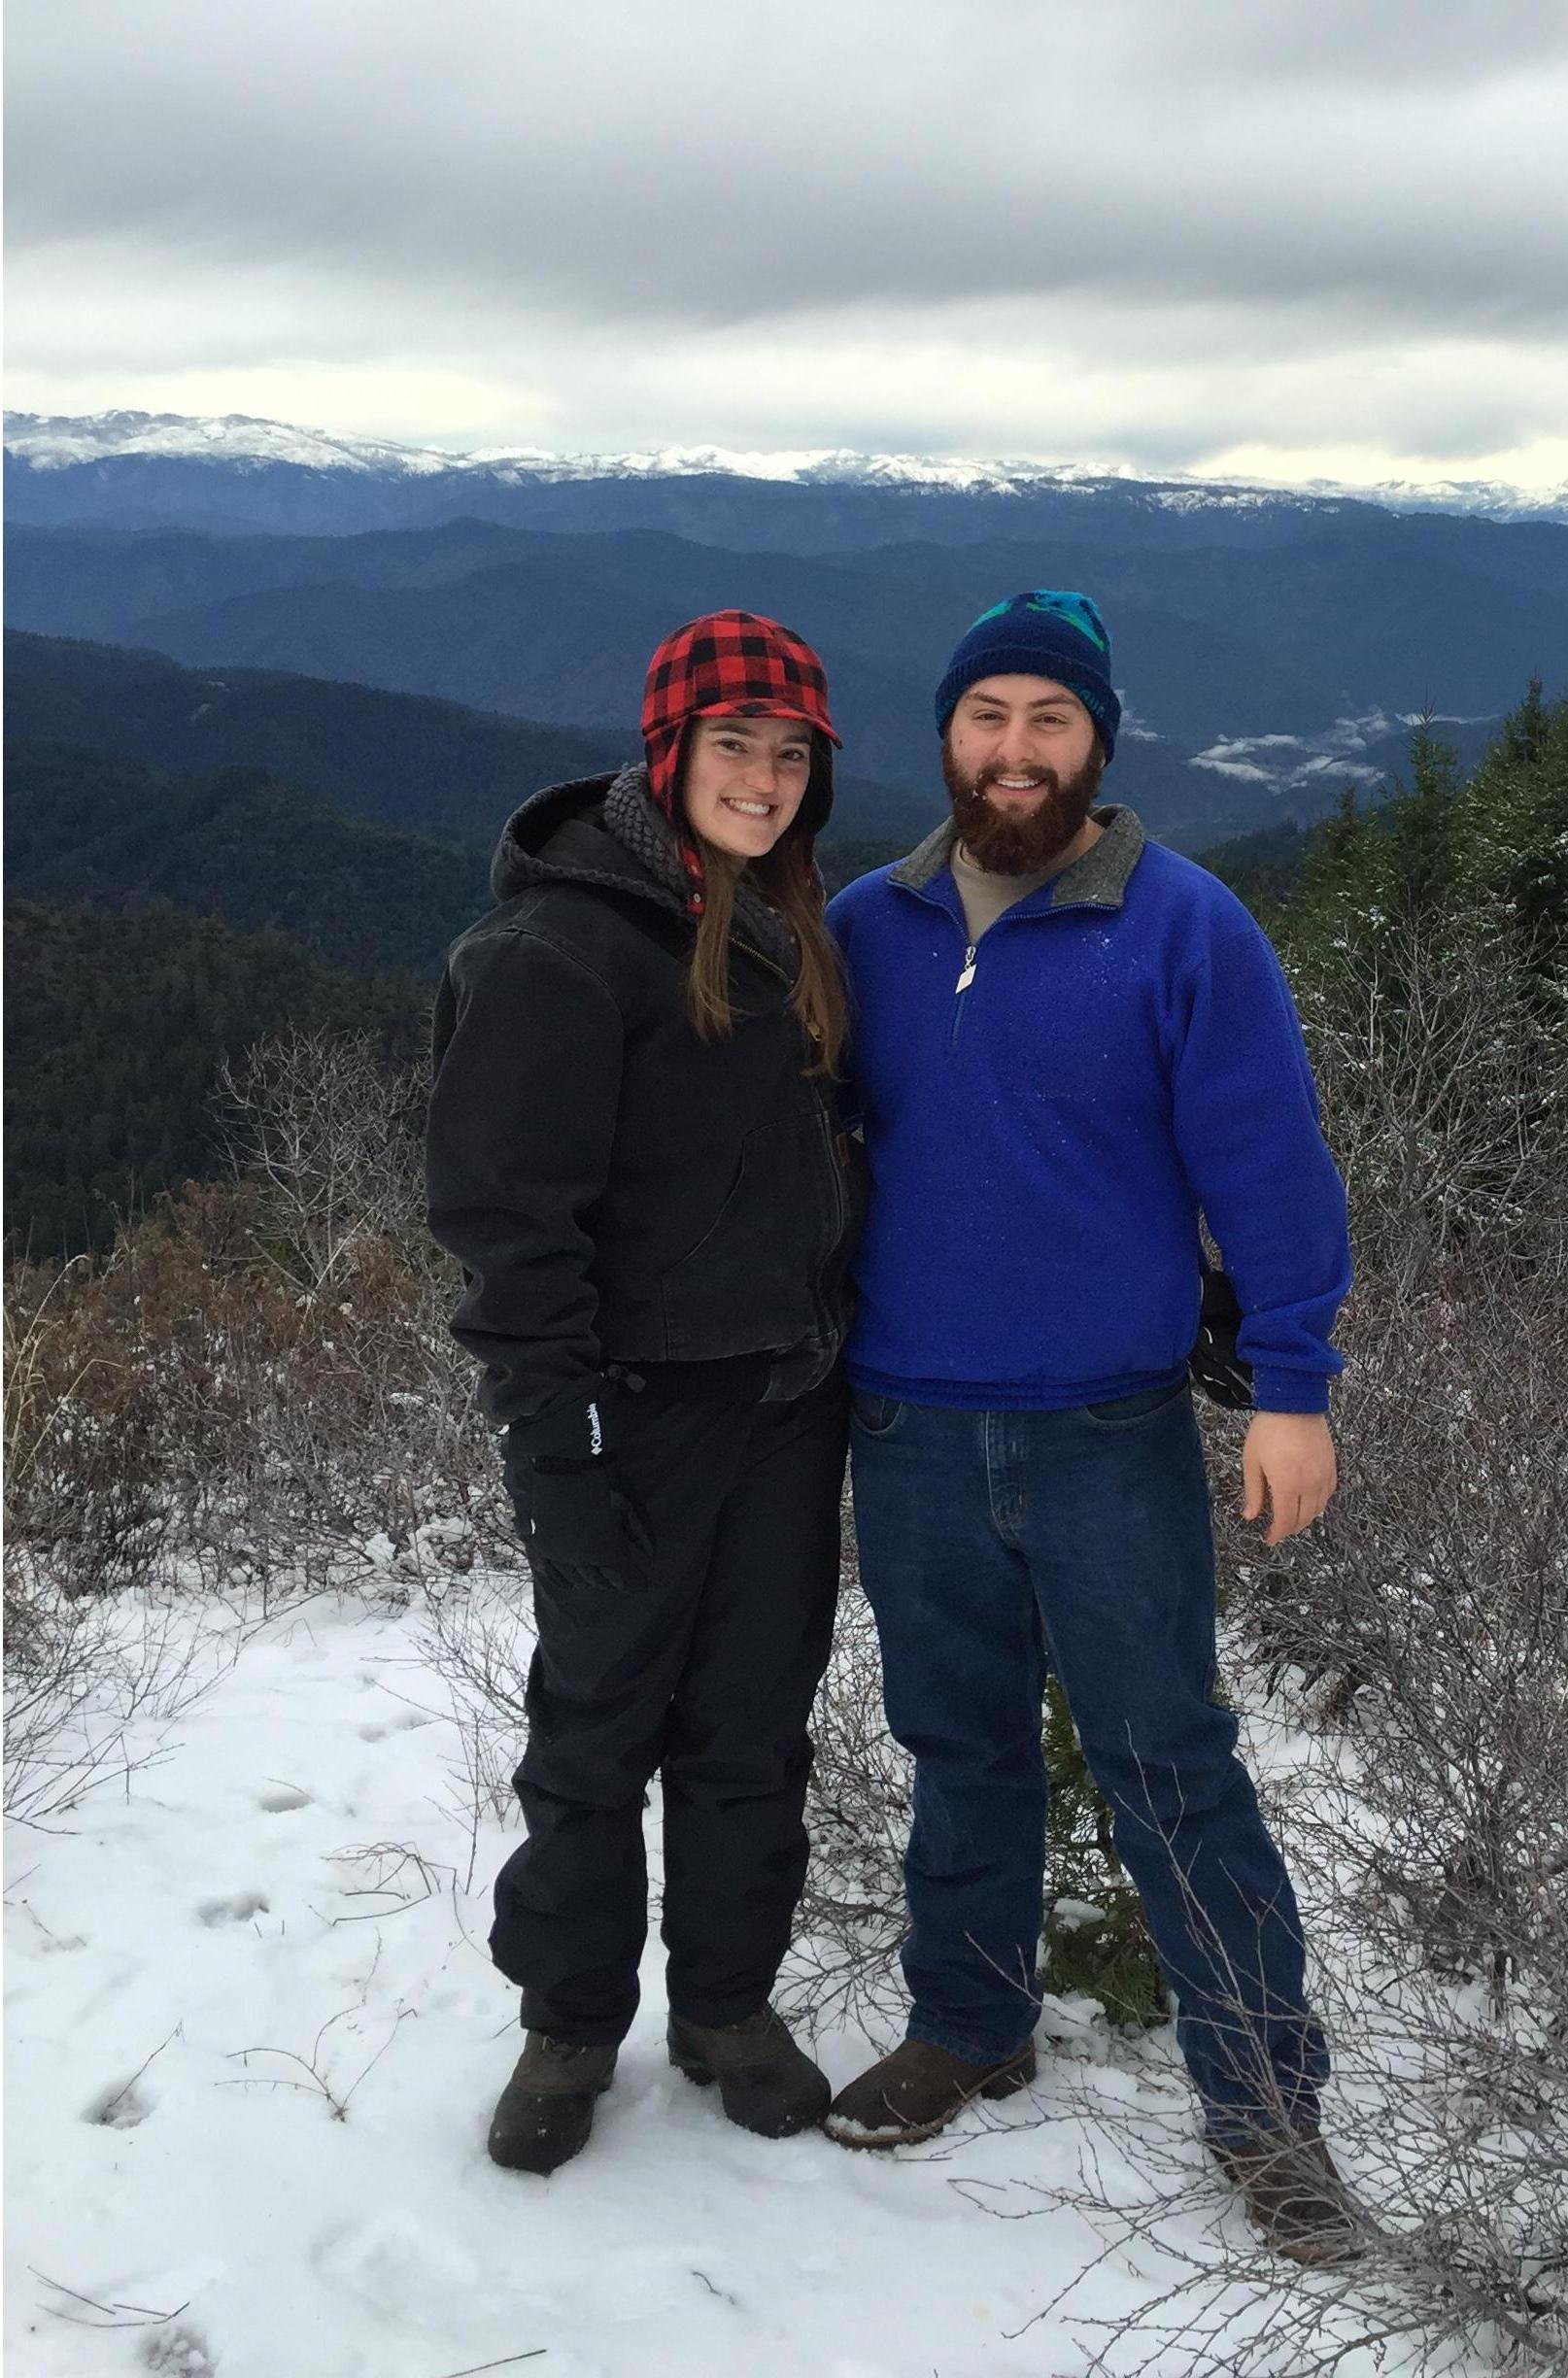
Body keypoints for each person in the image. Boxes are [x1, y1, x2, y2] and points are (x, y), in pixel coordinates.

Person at [824, 591, 1360, 2262]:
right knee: (956, 1747)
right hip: (905, 1422)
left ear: (1098, 745)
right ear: (945, 738)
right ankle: (970, 2024)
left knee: (1170, 1767)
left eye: (1049, 720)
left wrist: (1295, 1385)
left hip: (1107, 1431)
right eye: (987, 717)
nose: (1014, 750)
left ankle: (1264, 2112)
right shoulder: (863, 927)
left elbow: (1268, 1168)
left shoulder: (1185, 929)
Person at [426, 610, 862, 2175]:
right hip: (633, 1412)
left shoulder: (783, 920)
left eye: (791, 749)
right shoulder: (558, 944)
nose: (763, 774)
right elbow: (503, 1219)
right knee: (599, 1727)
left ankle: (727, 2011)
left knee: (753, 1724)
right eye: (734, 743)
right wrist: (558, 1431)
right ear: (665, 751)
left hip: (788, 1402)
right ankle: (568, 2024)